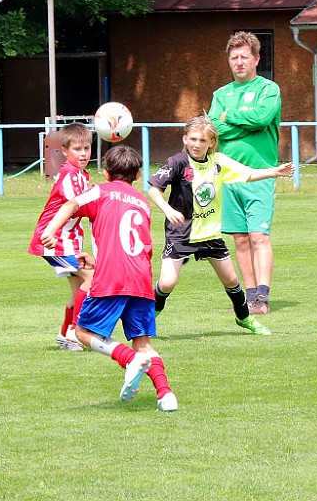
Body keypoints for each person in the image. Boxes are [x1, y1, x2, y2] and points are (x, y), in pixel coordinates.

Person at [40, 145, 177, 411]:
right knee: (143, 342)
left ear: (104, 173)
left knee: (82, 332)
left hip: (112, 278)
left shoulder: (101, 191)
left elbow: (71, 203)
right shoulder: (144, 204)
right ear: (138, 175)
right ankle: (166, 394)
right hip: (141, 279)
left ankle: (128, 360)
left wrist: (51, 230)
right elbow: (127, 242)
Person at [148, 114, 294, 335]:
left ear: (211, 142)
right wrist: (168, 210)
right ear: (185, 139)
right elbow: (153, 188)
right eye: (193, 139)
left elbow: (248, 174)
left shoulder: (219, 162)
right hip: (181, 235)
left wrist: (275, 172)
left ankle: (244, 319)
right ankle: (149, 316)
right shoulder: (177, 162)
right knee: (167, 283)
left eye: (203, 140)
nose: (197, 144)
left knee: (231, 280)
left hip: (210, 236)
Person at [208, 31, 282, 315]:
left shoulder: (269, 89)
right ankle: (250, 298)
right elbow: (214, 128)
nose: (239, 62)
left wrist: (231, 117)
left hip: (260, 173)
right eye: (234, 57)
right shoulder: (221, 94)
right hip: (228, 176)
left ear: (256, 59)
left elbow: (263, 118)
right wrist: (243, 122)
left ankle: (263, 296)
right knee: (239, 238)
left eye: (244, 57)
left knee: (259, 236)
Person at [28, 123, 93, 351]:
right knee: (93, 279)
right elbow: (80, 205)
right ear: (65, 151)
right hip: (55, 242)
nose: (83, 153)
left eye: (87, 148)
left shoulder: (81, 174)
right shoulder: (69, 174)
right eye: (77, 149)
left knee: (78, 290)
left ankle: (65, 334)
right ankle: (75, 332)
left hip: (70, 241)